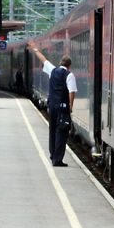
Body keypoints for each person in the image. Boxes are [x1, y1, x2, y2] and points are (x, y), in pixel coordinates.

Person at [27, 39, 76, 167]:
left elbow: (43, 59)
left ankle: (52, 154)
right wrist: (71, 105)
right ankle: (57, 159)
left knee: (53, 130)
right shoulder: (69, 75)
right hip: (62, 107)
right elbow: (72, 91)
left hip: (52, 106)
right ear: (69, 65)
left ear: (60, 64)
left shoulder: (53, 70)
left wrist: (35, 48)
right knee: (62, 131)